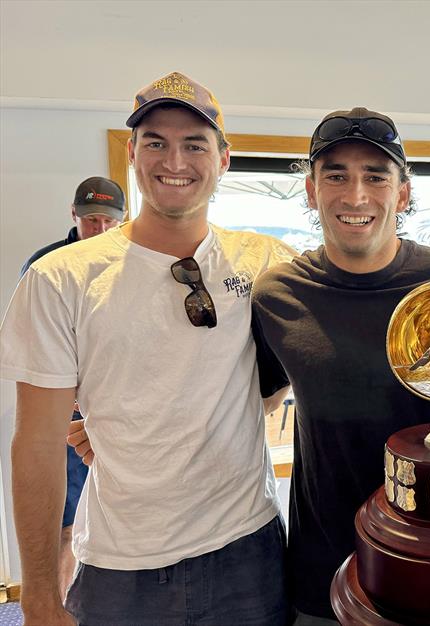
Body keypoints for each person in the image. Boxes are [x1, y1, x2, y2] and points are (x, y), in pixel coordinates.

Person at [0, 71, 295, 625]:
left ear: (224, 159)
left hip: (247, 551)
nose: (174, 161)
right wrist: (37, 593)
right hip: (119, 563)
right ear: (132, 152)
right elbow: (36, 443)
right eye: (156, 142)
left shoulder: (264, 261)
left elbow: (308, 364)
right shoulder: (60, 278)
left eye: (194, 144)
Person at [250, 107, 430, 624]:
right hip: (322, 569)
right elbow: (247, 400)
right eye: (335, 175)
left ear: (402, 192)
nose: (354, 195)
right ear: (311, 191)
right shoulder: (279, 296)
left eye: (375, 176)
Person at [19, 175, 125, 601]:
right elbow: (34, 353)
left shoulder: (134, 263)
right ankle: (57, 606)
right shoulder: (46, 269)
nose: (99, 231)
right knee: (66, 522)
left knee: (121, 516)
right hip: (69, 413)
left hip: (122, 410)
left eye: (108, 222)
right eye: (92, 220)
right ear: (74, 216)